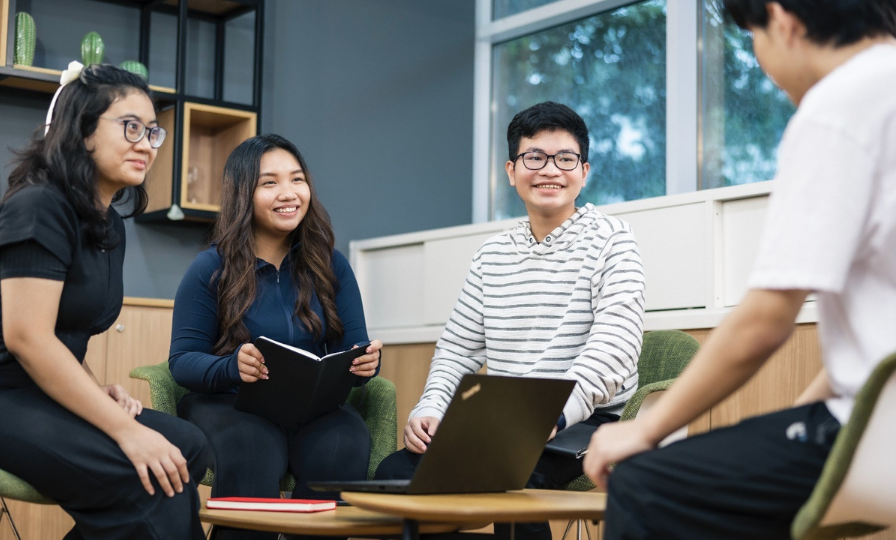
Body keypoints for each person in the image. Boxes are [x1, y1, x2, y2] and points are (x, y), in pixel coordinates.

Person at [584, 1, 896, 538]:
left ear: (783, 18)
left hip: (876, 438)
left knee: (644, 481)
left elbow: (764, 322)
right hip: (873, 416)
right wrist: (785, 423)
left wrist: (647, 428)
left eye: (752, 35)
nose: (758, 60)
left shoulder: (838, 106)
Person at [0, 62, 212, 540]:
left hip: (34, 391)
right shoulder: (39, 205)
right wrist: (124, 429)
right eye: (131, 127)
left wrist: (94, 389)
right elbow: (27, 339)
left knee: (186, 446)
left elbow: (63, 332)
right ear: (83, 131)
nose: (146, 143)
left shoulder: (110, 225)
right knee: (151, 480)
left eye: (152, 132)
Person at [375, 101, 645, 540]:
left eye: (565, 159)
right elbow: (457, 350)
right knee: (396, 474)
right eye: (534, 157)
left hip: (582, 423)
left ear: (585, 170)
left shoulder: (613, 241)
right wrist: (430, 409)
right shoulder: (491, 256)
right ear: (511, 170)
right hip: (500, 422)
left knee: (513, 479)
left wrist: (545, 417)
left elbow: (614, 351)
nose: (550, 170)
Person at [169, 133, 382, 540]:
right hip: (232, 404)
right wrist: (232, 366)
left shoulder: (330, 264)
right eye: (269, 183)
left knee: (345, 444)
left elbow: (352, 345)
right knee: (253, 448)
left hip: (311, 406)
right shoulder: (209, 267)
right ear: (242, 194)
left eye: (297, 179)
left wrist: (363, 362)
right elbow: (183, 361)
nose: (288, 193)